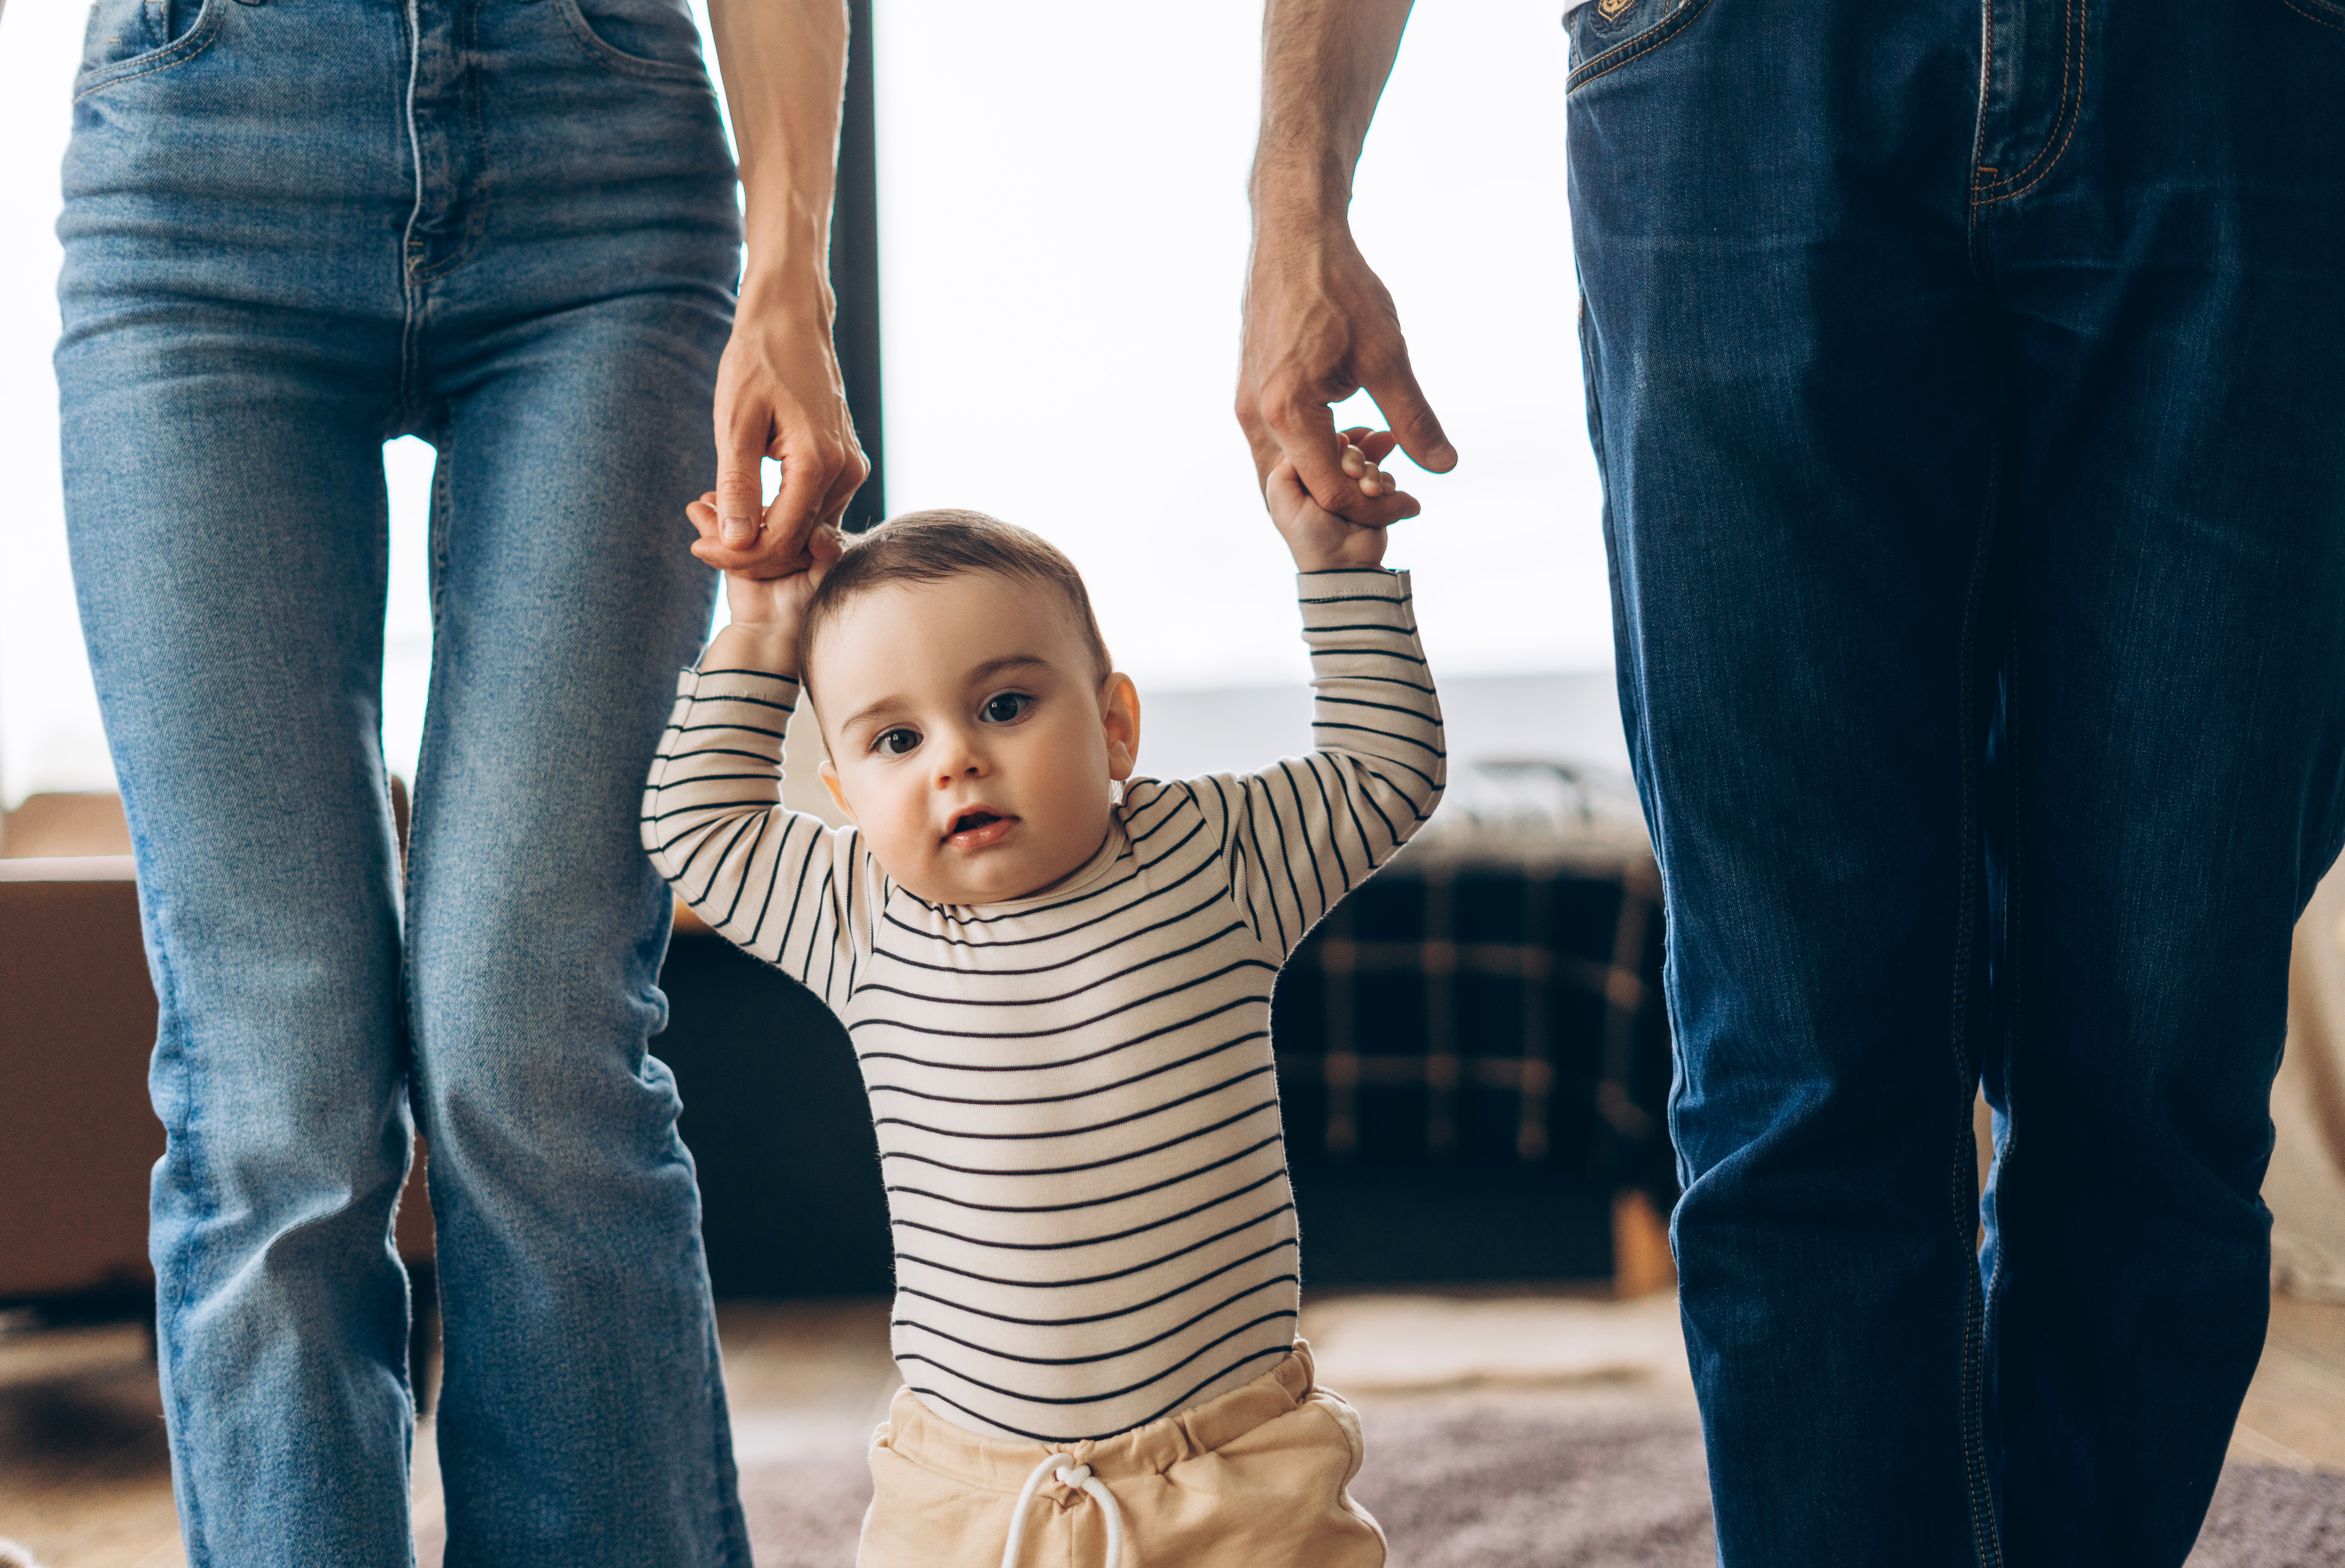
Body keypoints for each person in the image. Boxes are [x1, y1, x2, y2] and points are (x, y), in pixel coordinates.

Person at [1236, 2, 2345, 1565]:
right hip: (1735, 71)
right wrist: (1299, 196)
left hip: (2250, 71)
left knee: (2164, 1062)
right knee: (1800, 1062)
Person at [54, 0, 864, 1561]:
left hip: (604, 150)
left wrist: (791, 263)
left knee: (532, 1032)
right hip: (203, 153)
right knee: (271, 1085)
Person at [639, 433, 1434, 1567]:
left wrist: (1344, 571)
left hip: (1232, 1475)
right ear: (844, 796)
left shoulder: (1211, 856)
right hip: (969, 1497)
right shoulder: (863, 912)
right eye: (897, 740)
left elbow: (1383, 768)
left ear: (1115, 726)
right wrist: (763, 631)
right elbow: (692, 830)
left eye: (1005, 706)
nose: (955, 760)